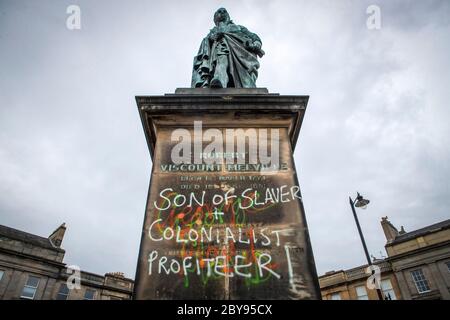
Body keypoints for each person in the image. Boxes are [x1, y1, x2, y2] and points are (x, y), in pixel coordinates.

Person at [191, 8, 265, 88]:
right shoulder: (213, 31)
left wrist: (256, 43)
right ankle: (219, 78)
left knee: (222, 51)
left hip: (241, 51)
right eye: (219, 12)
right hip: (220, 48)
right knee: (221, 57)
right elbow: (207, 42)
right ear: (215, 18)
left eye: (224, 11)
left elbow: (254, 37)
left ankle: (221, 78)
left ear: (228, 16)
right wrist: (212, 38)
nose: (222, 13)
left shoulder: (239, 28)